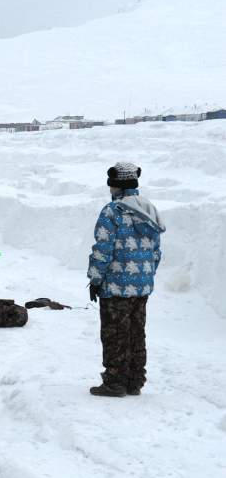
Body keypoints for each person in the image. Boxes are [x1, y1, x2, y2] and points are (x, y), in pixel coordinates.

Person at [87, 162, 165, 397]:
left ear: (117, 185)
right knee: (136, 333)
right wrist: (145, 277)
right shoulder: (149, 210)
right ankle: (134, 381)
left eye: (111, 185)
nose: (109, 189)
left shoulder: (112, 211)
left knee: (115, 334)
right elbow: (156, 252)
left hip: (116, 286)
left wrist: (95, 279)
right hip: (142, 286)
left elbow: (103, 249)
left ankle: (115, 383)